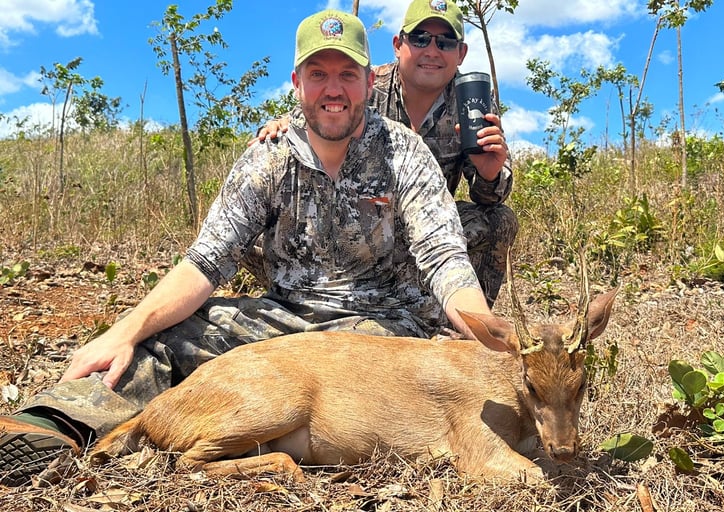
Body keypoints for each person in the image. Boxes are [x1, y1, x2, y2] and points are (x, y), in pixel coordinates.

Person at [0, 9, 495, 487]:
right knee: (172, 335)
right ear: (297, 83)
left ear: (369, 82)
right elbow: (206, 261)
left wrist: (485, 330)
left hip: (379, 330)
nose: (334, 89)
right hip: (286, 319)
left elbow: (444, 256)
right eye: (318, 73)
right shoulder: (268, 157)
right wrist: (125, 330)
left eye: (348, 73)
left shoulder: (407, 152)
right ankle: (57, 422)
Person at [252, 0, 518, 308]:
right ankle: (300, 300)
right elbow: (314, 114)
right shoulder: (364, 84)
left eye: (445, 42)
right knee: (256, 223)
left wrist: (489, 173)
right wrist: (284, 125)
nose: (432, 51)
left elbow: (490, 197)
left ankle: (467, 326)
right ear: (398, 44)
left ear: (461, 54)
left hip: (429, 225)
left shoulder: (473, 100)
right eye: (420, 39)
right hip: (358, 219)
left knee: (499, 220)